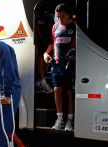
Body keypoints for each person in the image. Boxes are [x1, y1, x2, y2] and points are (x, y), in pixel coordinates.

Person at [43, 3, 76, 131]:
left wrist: (73, 55)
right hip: (56, 64)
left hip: (69, 64)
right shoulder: (55, 27)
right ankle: (60, 119)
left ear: (69, 15)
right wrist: (46, 53)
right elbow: (53, 43)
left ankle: (70, 121)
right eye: (58, 17)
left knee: (69, 92)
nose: (60, 19)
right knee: (57, 90)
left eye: (63, 16)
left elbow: (76, 44)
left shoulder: (74, 27)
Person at [35, 15, 54, 93]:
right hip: (42, 41)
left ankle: (41, 82)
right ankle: (42, 82)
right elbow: (37, 29)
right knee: (41, 58)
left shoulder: (51, 20)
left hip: (48, 40)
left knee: (45, 59)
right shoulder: (41, 20)